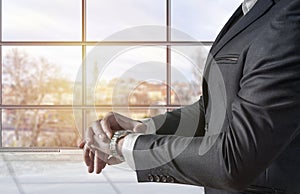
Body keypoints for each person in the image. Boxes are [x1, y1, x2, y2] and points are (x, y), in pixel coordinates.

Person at [79, 0, 300, 193]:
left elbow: (233, 160)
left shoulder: (289, 17)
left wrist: (124, 145)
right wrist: (143, 128)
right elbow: (213, 106)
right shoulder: (248, 11)